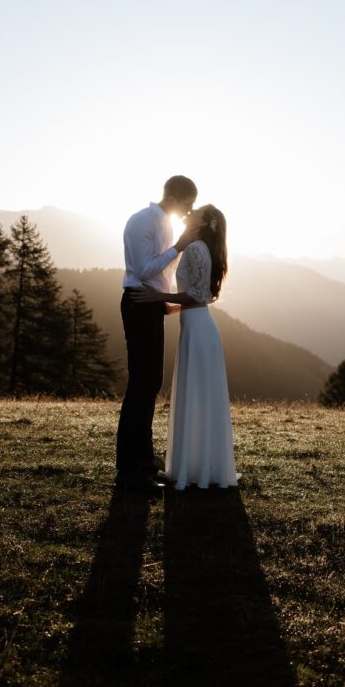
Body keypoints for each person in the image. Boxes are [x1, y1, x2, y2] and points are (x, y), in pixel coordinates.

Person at [133, 204, 240, 490]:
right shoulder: (201, 247)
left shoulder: (195, 249)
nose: (189, 212)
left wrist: (159, 296)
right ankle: (200, 465)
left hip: (199, 331)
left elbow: (196, 293)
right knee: (200, 398)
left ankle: (197, 468)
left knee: (197, 396)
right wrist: (169, 308)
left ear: (204, 221)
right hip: (197, 325)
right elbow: (201, 297)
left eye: (196, 211)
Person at [115, 175, 200, 494]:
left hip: (152, 303)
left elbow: (162, 272)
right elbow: (144, 270)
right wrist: (179, 245)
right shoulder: (142, 221)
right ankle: (128, 469)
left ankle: (145, 461)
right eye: (189, 203)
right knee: (140, 383)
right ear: (176, 197)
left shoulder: (164, 223)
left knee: (152, 381)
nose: (189, 209)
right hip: (138, 302)